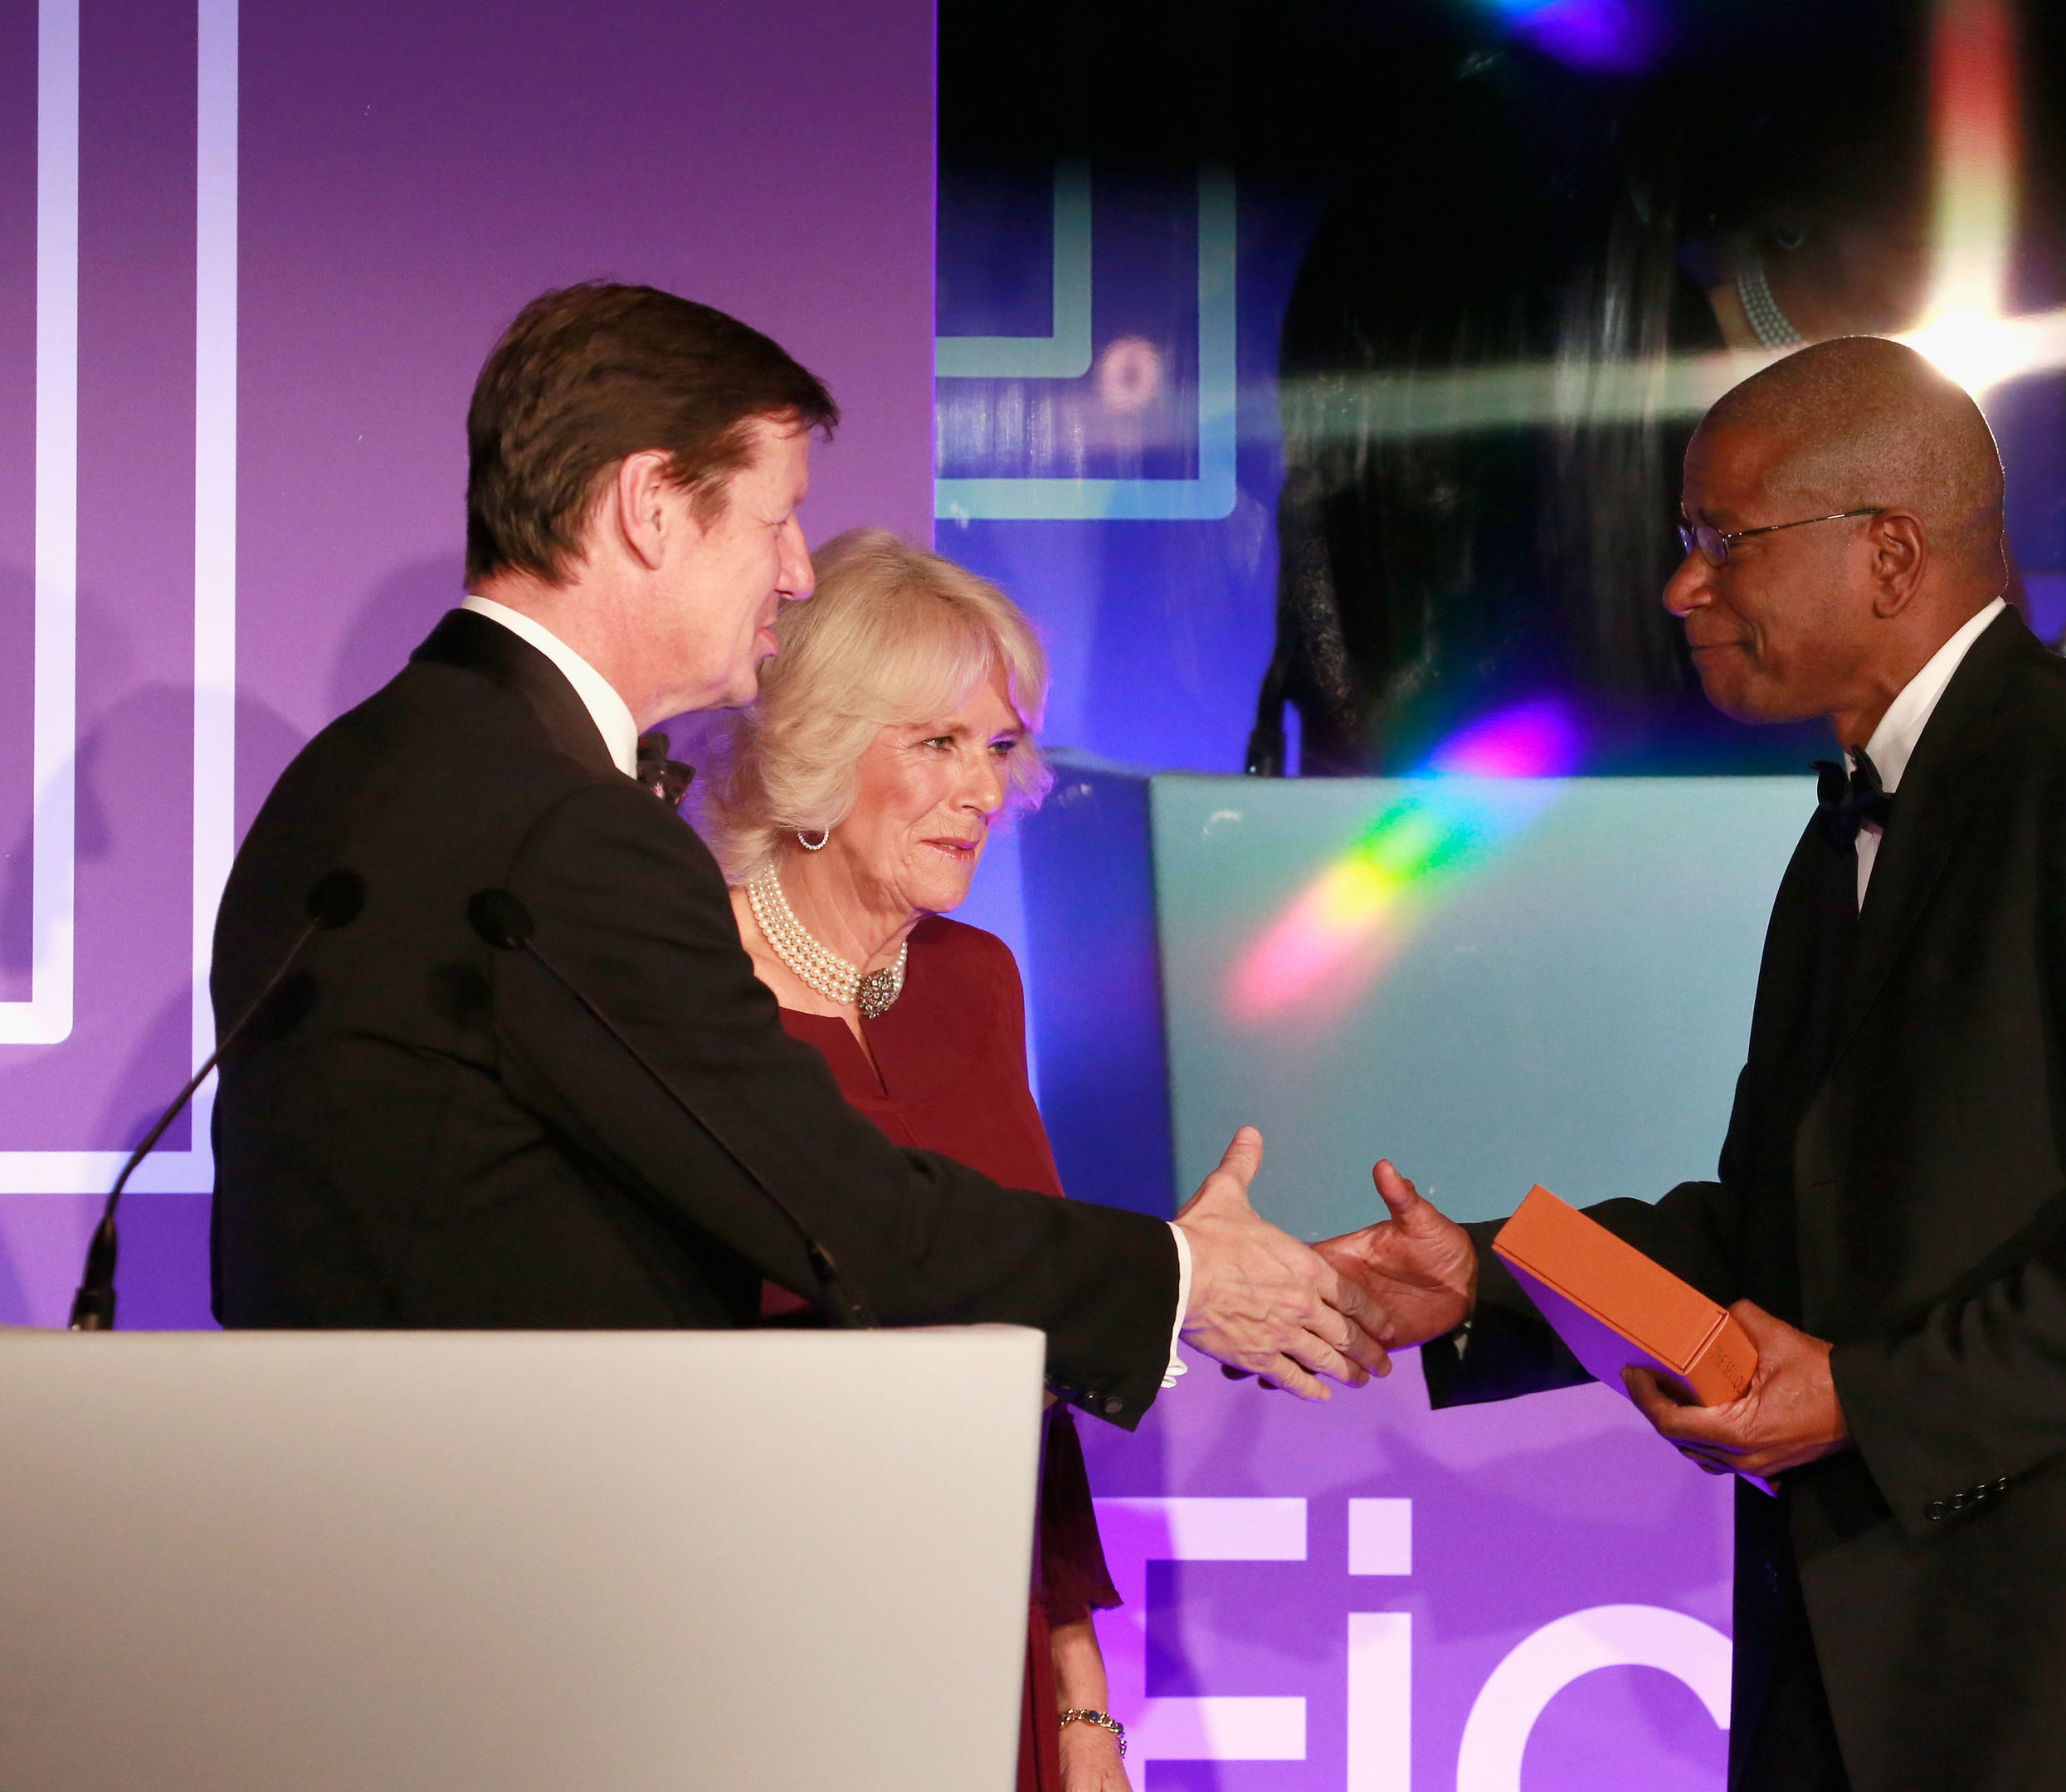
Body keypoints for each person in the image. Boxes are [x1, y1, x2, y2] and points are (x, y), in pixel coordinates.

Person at [1313, 336, 2066, 1791]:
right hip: (1891, 1667)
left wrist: (1873, 1400)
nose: (1683, 587)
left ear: (1890, 553)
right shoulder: (1854, 830)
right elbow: (1784, 1223)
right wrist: (1490, 1275)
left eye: (1720, 541)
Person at [210, 282, 1386, 1425]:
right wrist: (1184, 1276)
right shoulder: (564, 828)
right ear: (651, 507)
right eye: (775, 518)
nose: (796, 572)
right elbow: (841, 1212)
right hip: (527, 1541)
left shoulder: (348, 775)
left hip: (358, 1515)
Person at [695, 527, 1130, 1791]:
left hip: (980, 1633)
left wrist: (1081, 1702)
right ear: (818, 750)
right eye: (937, 744)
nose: (985, 791)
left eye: (997, 747)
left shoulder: (977, 983)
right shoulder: (691, 989)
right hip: (762, 1646)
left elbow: (1025, 1365)